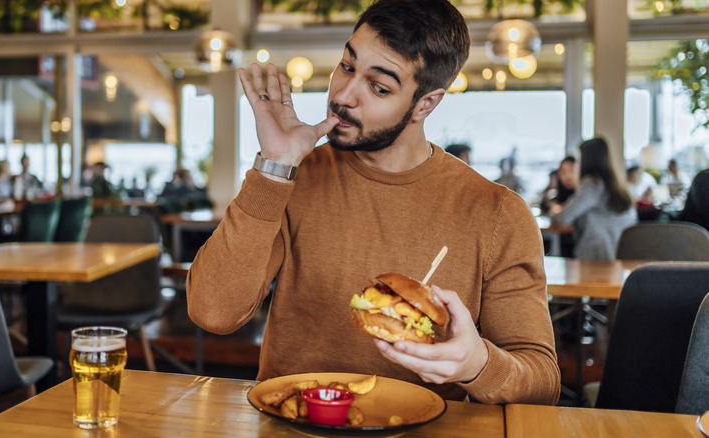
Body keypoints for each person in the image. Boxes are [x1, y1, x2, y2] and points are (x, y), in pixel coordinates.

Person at [187, 0, 559, 405]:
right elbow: (213, 314)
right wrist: (274, 166)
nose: (344, 95)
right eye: (347, 66)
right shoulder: (295, 174)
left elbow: (541, 383)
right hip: (293, 423)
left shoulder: (497, 213)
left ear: (425, 104)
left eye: (379, 87)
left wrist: (477, 365)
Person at [551, 137, 637, 261]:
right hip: (621, 255)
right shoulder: (615, 185)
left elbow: (563, 218)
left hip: (599, 256)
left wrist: (553, 212)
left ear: (586, 159)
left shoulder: (592, 184)